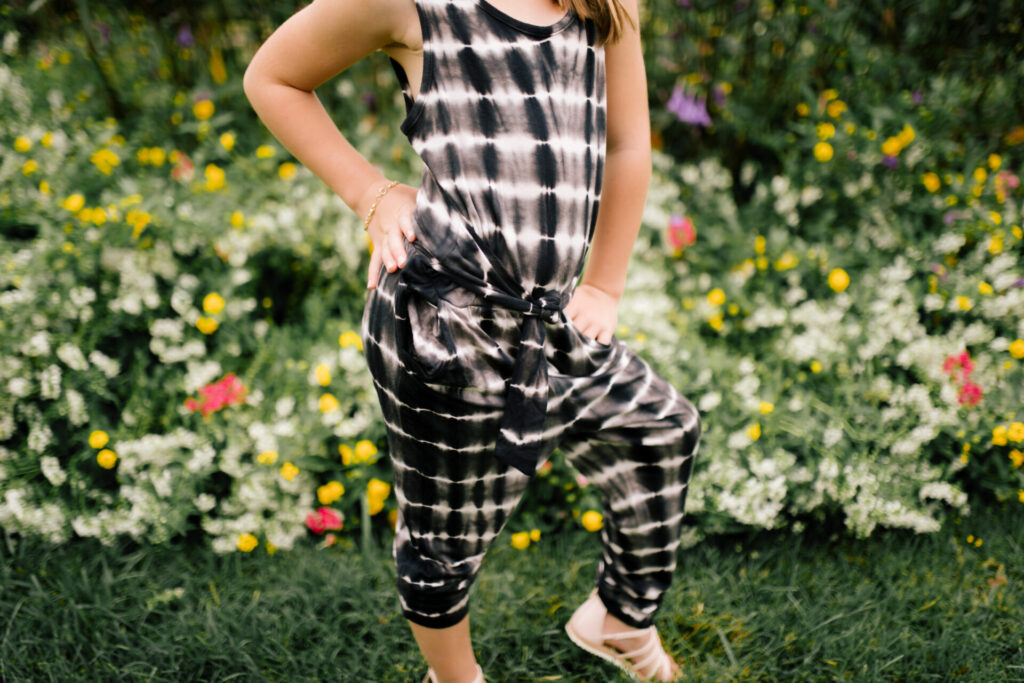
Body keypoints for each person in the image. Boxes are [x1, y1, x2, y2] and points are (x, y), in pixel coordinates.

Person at [243, 0, 702, 680]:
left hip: (550, 323)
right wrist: (372, 193)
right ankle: (455, 677)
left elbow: (628, 143)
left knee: (661, 429)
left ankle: (620, 620)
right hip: (442, 326)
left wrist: (603, 284)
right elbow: (273, 78)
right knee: (445, 535)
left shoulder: (603, 3)